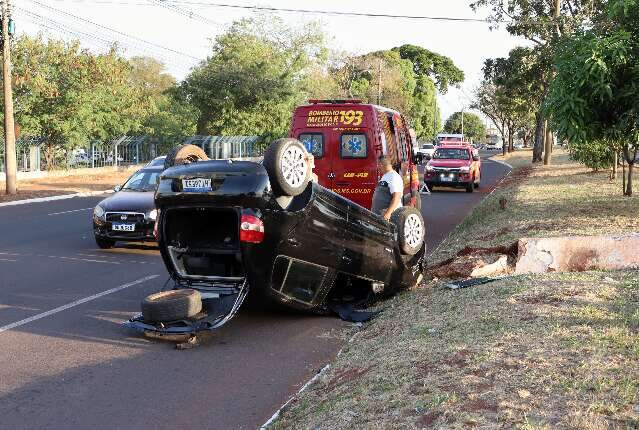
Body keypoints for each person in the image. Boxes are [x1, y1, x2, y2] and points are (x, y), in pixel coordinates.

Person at [371, 155, 403, 220]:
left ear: (381, 164)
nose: (378, 167)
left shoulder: (393, 176)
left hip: (389, 218)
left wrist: (388, 213)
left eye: (378, 165)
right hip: (380, 217)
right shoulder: (385, 176)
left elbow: (396, 197)